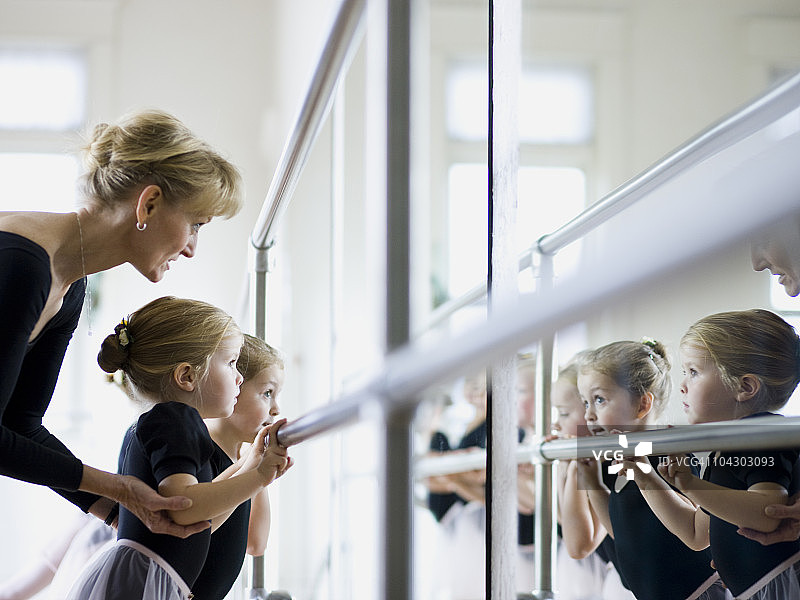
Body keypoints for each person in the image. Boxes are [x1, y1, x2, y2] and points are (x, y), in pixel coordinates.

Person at [0, 108, 243, 536]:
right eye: (195, 224)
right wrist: (122, 491)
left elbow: (20, 425)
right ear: (148, 203)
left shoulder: (70, 284)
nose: (191, 249)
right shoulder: (25, 266)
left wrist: (120, 515)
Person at [65, 297, 292, 600]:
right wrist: (260, 475)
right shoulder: (175, 418)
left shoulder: (170, 421)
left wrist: (250, 465)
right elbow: (184, 508)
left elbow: (201, 522)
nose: (238, 377)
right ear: (187, 376)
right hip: (146, 585)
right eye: (230, 363)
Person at [629, 309, 800, 599]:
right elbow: (696, 533)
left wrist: (691, 485)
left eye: (693, 372)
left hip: (777, 587)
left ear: (744, 387)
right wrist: (645, 477)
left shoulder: (760, 434)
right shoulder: (729, 443)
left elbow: (768, 512)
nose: (682, 385)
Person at [575, 339, 726, 600]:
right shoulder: (622, 461)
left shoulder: (671, 456)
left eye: (599, 400)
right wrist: (593, 484)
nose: (588, 415)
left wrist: (648, 478)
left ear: (642, 405)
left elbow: (697, 532)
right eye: (585, 403)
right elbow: (622, 534)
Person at [197, 334, 287, 599]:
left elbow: (255, 542)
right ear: (233, 387)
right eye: (267, 393)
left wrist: (258, 466)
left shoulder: (241, 459)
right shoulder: (200, 453)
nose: (276, 409)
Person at [551, 354, 634, 600]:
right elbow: (564, 518)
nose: (556, 424)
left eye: (564, 413)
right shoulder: (595, 459)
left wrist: (575, 466)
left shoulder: (611, 462)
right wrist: (563, 467)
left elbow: (579, 545)